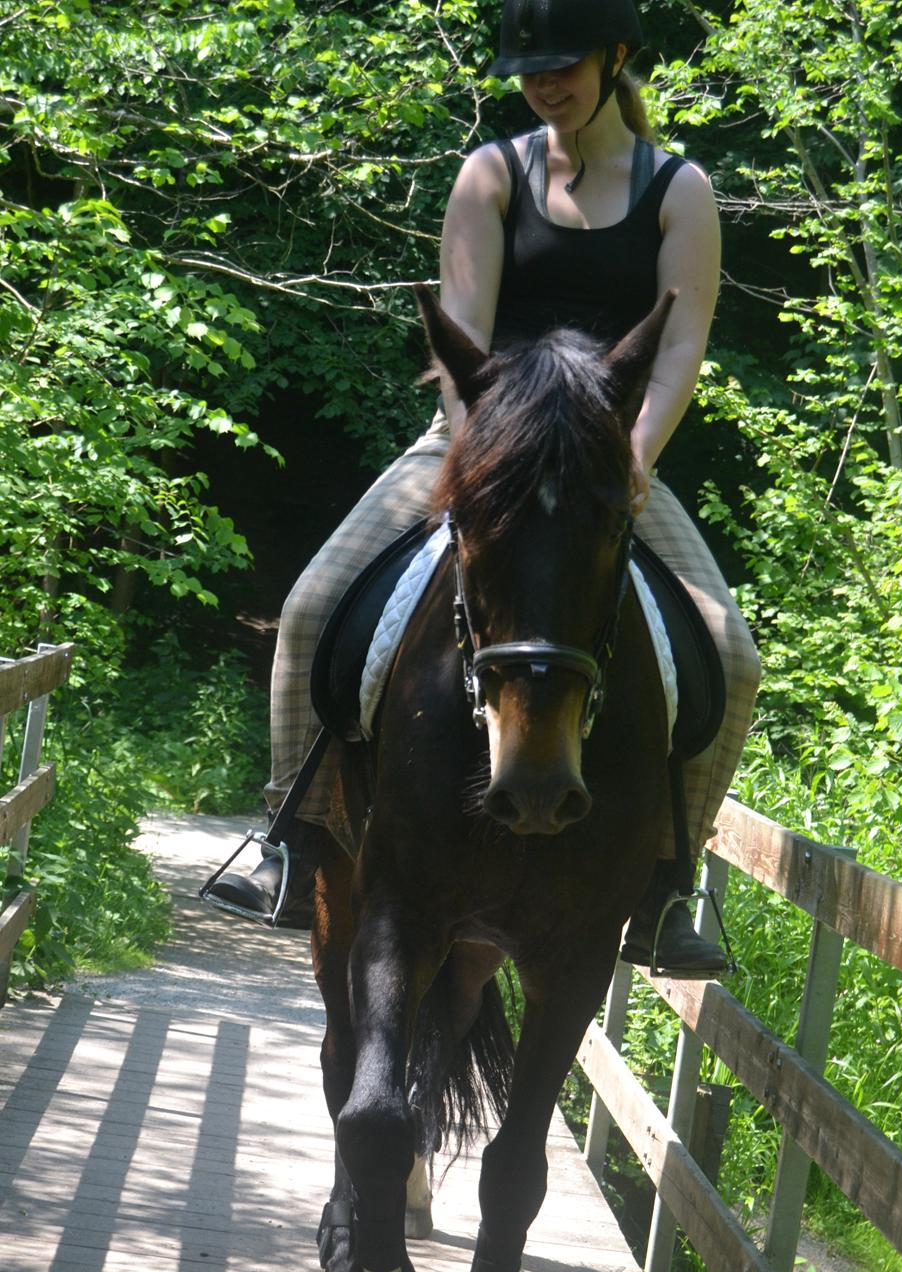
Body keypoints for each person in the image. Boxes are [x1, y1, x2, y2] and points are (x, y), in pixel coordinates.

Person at [209, 0, 760, 975]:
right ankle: (289, 840)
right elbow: (459, 335)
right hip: (476, 442)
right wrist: (482, 460)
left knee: (734, 657)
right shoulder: (489, 178)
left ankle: (670, 889)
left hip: (608, 461)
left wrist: (631, 455)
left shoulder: (679, 191)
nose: (545, 84)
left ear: (615, 56)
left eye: (565, 65)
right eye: (530, 67)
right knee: (306, 612)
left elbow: (679, 347)